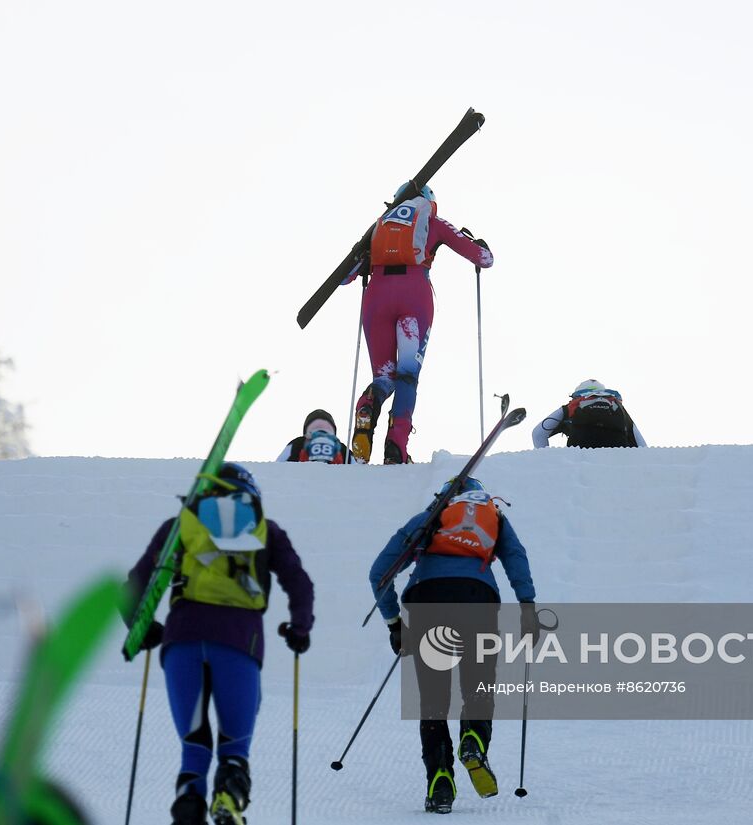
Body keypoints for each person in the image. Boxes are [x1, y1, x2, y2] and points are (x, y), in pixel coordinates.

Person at [124, 463, 314, 825]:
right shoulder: (266, 530)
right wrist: (299, 628)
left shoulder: (180, 525)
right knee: (234, 745)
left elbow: (135, 584)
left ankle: (188, 808)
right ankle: (228, 797)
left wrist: (142, 627)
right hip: (240, 641)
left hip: (181, 641)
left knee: (194, 745)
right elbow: (300, 583)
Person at [368, 477, 538, 814]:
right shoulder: (495, 518)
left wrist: (395, 624)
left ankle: (440, 779)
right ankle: (473, 738)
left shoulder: (430, 518)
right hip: (479, 600)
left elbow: (379, 573)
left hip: (428, 601)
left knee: (433, 700)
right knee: (478, 684)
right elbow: (515, 557)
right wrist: (527, 606)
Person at [345, 184, 494, 465]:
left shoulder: (379, 226)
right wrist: (481, 246)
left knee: (384, 377)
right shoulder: (431, 221)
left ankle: (368, 407)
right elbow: (484, 259)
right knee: (407, 375)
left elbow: (345, 276)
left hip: (377, 297)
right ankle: (396, 447)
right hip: (413, 296)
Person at [532, 379, 647, 449]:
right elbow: (642, 445)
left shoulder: (572, 405)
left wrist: (545, 460)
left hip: (580, 451)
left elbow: (538, 434)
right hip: (617, 453)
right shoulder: (616, 405)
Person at [275, 408, 354, 464]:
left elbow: (278, 464)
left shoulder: (298, 442)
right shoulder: (342, 447)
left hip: (302, 482)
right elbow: (358, 470)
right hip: (335, 482)